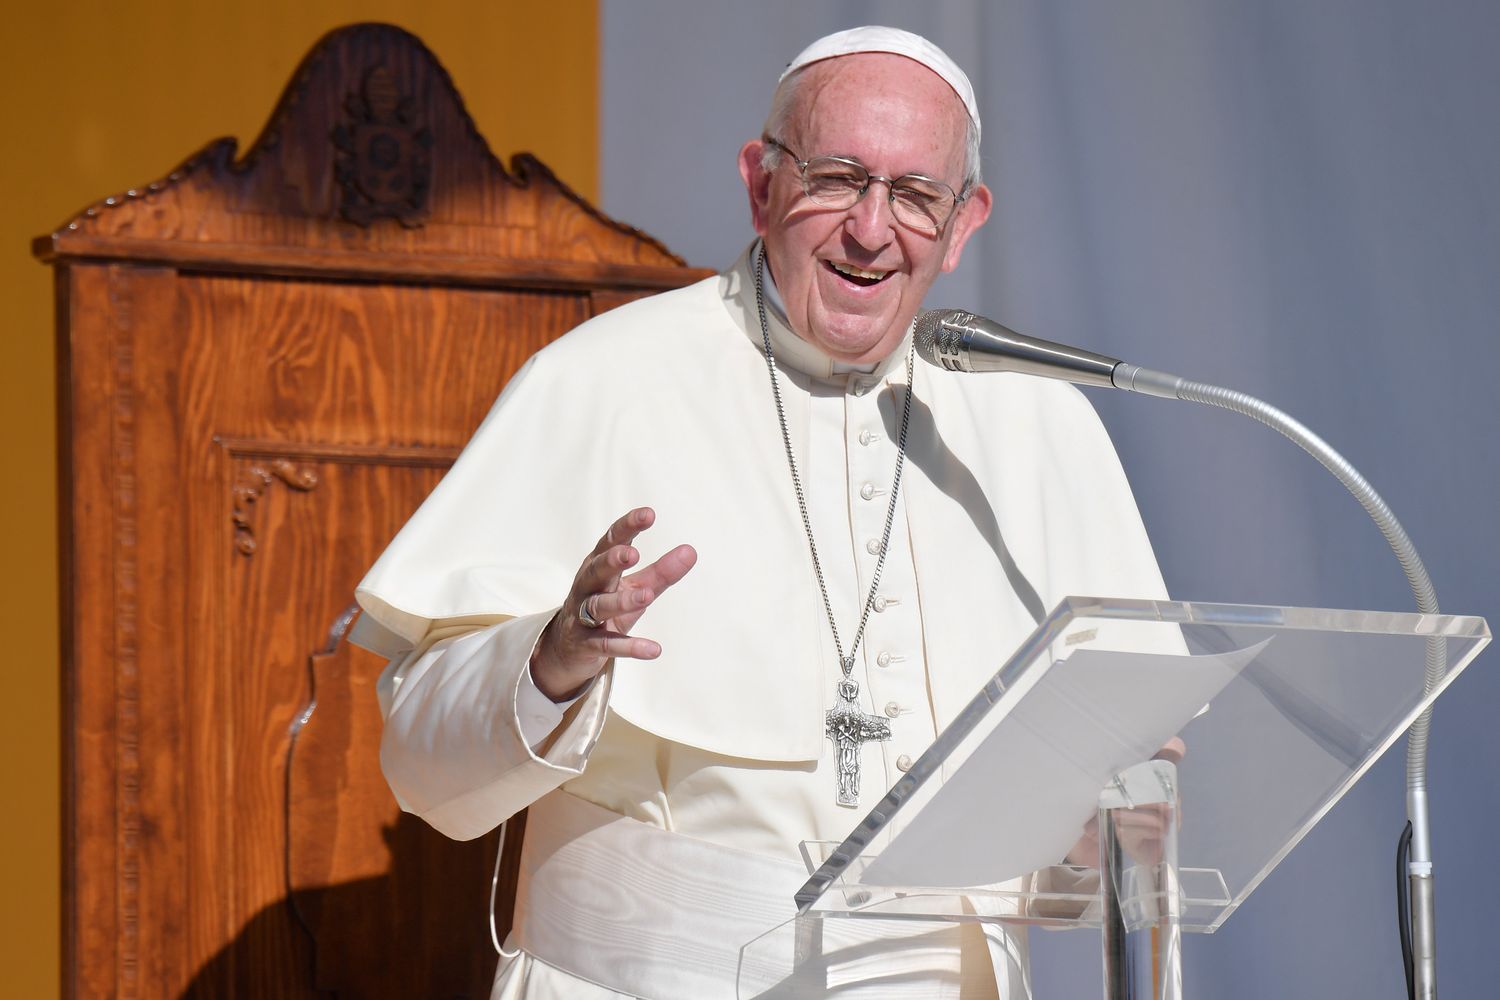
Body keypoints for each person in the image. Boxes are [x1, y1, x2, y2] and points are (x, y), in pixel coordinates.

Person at [352, 25, 1171, 1000]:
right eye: (837, 178)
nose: (872, 229)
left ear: (962, 226)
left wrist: (1106, 825)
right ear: (760, 184)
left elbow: (1102, 818)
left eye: (916, 195)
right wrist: (551, 660)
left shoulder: (1041, 426)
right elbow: (421, 764)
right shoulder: (599, 382)